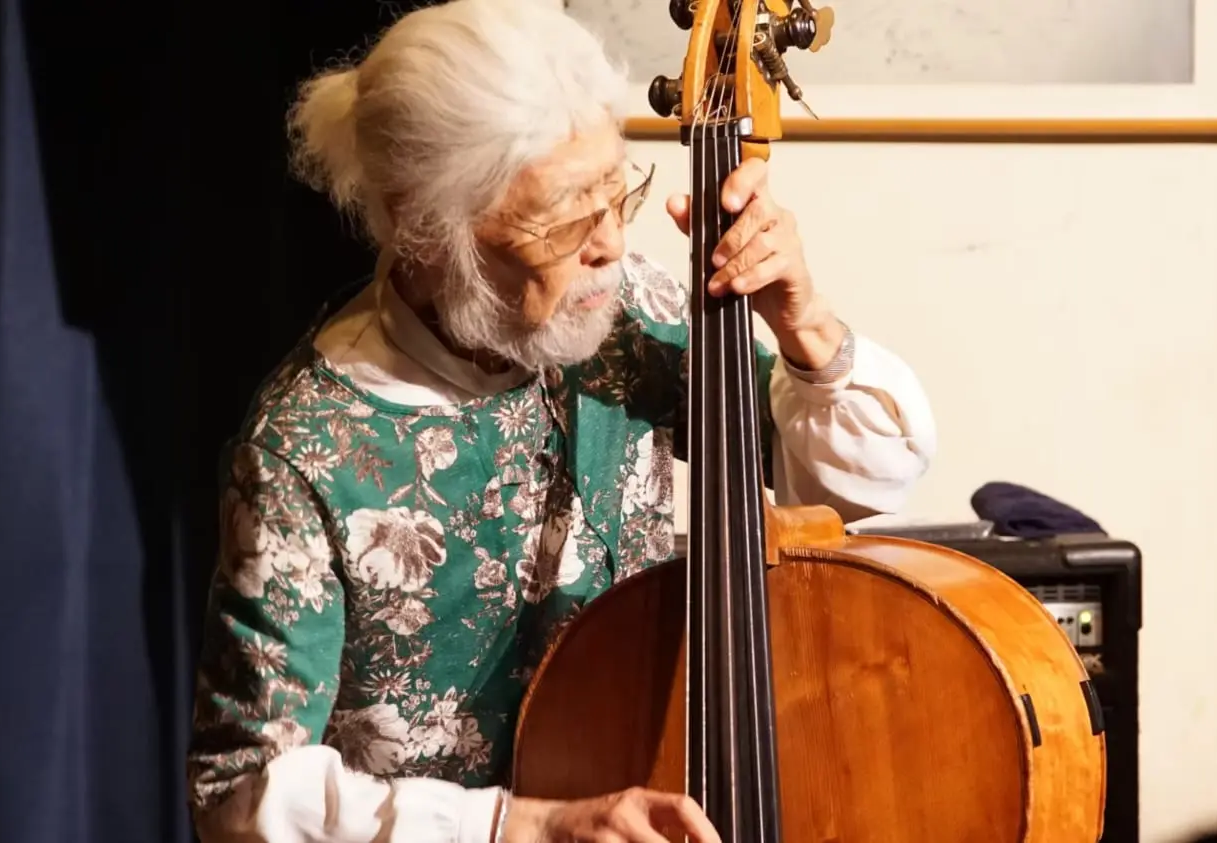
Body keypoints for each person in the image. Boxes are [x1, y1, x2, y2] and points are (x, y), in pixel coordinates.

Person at [185, 1, 937, 841]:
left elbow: (866, 481)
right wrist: (523, 825)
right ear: (425, 227)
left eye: (617, 195)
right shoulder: (307, 447)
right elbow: (241, 792)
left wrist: (806, 325)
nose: (610, 244)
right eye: (566, 219)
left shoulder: (628, 318)